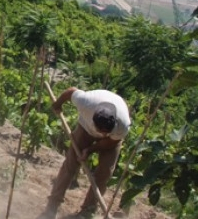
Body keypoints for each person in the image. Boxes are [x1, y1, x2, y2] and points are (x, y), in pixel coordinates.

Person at [40, 87, 132, 219]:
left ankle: (87, 211)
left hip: (112, 142)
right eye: (101, 131)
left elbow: (110, 143)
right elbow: (70, 91)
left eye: (107, 131)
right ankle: (53, 205)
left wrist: (89, 150)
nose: (104, 134)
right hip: (85, 129)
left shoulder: (122, 125)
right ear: (93, 120)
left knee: (104, 173)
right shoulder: (86, 102)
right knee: (70, 164)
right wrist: (57, 104)